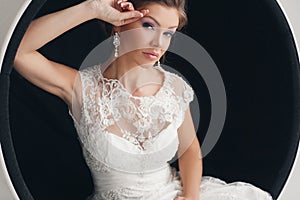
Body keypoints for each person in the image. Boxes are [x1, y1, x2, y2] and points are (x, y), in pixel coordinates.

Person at [13, 0, 274, 199]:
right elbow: (18, 51)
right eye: (149, 26)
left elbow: (190, 150)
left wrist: (190, 197)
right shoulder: (81, 88)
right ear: (120, 21)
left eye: (169, 33)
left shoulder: (174, 87)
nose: (158, 42)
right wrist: (92, 8)